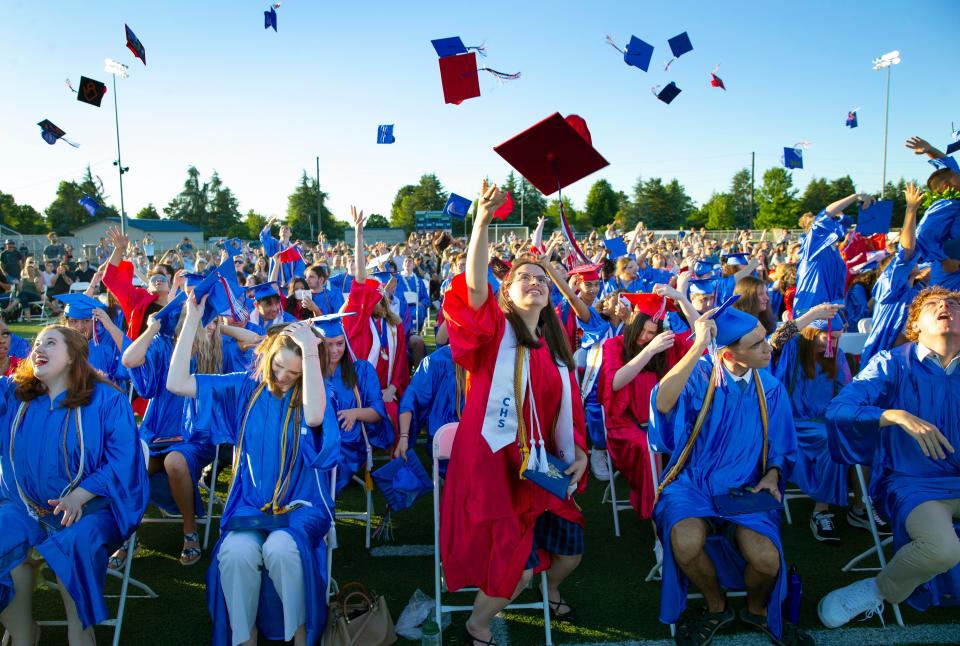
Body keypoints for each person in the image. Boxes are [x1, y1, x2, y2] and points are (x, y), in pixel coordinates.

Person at [440, 184, 589, 646]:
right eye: (524, 276)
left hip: (532, 468)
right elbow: (474, 286)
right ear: (507, 290)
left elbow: (565, 418)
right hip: (489, 461)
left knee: (566, 544)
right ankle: (477, 626)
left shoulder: (555, 355)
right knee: (514, 564)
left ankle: (546, 588)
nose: (536, 281)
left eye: (542, 278)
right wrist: (481, 223)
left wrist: (579, 453)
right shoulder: (491, 333)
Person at [168, 299, 338, 646]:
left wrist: (309, 349)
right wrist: (193, 320)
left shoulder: (315, 395)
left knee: (281, 550)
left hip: (301, 506)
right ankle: (245, 637)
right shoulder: (245, 387)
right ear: (270, 355)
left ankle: (300, 635)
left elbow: (316, 418)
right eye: (278, 366)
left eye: (294, 373)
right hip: (250, 503)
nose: (283, 377)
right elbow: (177, 382)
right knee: (235, 554)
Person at [650, 299, 808, 646]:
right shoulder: (702, 377)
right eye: (757, 345)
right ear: (729, 354)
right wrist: (698, 346)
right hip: (693, 483)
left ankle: (755, 609)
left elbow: (781, 446)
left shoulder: (770, 388)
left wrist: (773, 474)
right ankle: (715, 604)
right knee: (685, 540)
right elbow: (662, 403)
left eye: (764, 339)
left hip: (746, 486)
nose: (769, 348)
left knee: (767, 559)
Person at [819, 286, 960, 628]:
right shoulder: (892, 363)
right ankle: (878, 588)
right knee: (942, 549)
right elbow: (840, 409)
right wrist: (893, 415)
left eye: (954, 303)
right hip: (913, 484)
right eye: (933, 305)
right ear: (915, 326)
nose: (945, 306)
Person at [0, 326, 148, 645]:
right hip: (25, 508)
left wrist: (80, 495)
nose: (39, 348)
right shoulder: (14, 395)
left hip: (90, 509)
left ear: (72, 357)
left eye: (50, 343)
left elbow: (123, 460)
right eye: (37, 343)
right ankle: (24, 632)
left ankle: (80, 634)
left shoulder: (107, 400)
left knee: (76, 544)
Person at [120, 308, 220, 567]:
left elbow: (251, 342)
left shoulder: (216, 347)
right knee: (133, 466)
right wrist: (152, 327)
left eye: (209, 320)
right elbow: (129, 360)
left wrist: (217, 324)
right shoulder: (163, 345)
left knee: (174, 462)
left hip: (194, 435)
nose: (207, 325)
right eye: (188, 319)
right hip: (156, 430)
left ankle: (190, 531)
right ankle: (126, 535)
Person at [769, 303, 874, 543]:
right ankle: (821, 510)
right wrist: (813, 315)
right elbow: (775, 340)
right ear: (810, 332)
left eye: (837, 338)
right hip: (794, 423)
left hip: (826, 420)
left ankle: (860, 506)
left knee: (863, 434)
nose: (833, 344)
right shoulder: (794, 349)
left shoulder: (834, 355)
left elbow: (846, 391)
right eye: (827, 337)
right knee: (831, 439)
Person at [599, 289, 697, 520]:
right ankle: (657, 514)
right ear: (632, 322)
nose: (644, 337)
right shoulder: (614, 345)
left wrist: (682, 298)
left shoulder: (666, 346)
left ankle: (686, 505)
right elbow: (615, 382)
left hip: (663, 421)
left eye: (651, 333)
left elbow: (700, 333)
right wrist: (649, 350)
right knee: (648, 448)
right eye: (641, 329)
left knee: (694, 438)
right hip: (626, 424)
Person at [342, 208, 409, 439]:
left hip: (385, 394)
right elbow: (360, 279)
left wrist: (392, 388)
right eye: (375, 299)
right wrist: (358, 233)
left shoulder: (394, 328)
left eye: (381, 299)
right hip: (358, 395)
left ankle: (394, 466)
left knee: (396, 414)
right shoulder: (358, 322)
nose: (380, 302)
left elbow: (400, 368)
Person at [315, 314, 390, 493]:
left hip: (350, 442)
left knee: (329, 461)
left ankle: (323, 496)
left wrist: (355, 413)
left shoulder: (362, 371)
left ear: (346, 343)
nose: (334, 350)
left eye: (339, 343)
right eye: (328, 344)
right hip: (317, 438)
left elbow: (378, 411)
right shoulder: (312, 372)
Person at [794, 193, 875, 315]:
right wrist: (854, 197)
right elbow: (826, 214)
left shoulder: (834, 251)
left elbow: (845, 221)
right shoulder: (812, 246)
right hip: (809, 311)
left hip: (829, 310)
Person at [102, 226, 173, 339]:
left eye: (163, 279)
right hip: (141, 355)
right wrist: (119, 250)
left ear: (170, 287)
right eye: (154, 279)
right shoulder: (138, 298)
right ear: (148, 287)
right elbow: (109, 279)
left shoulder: (178, 308)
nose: (158, 280)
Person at [54, 293, 130, 387]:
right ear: (66, 322)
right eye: (74, 321)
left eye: (86, 321)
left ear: (95, 321)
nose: (80, 327)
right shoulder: (59, 343)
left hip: (103, 396)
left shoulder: (107, 343)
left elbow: (126, 370)